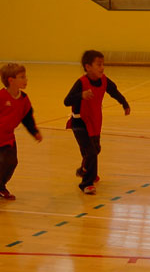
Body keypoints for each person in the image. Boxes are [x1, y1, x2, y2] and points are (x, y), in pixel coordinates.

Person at [0, 63, 42, 207]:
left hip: (9, 137)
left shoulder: (23, 98)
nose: (26, 80)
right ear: (11, 80)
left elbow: (27, 118)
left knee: (12, 163)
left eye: (25, 77)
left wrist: (34, 132)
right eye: (22, 77)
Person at [64, 50, 131, 195]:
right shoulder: (81, 83)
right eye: (99, 65)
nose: (102, 68)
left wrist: (124, 103)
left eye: (103, 64)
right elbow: (67, 101)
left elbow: (114, 91)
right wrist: (81, 95)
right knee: (91, 153)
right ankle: (86, 183)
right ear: (88, 67)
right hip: (80, 122)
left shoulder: (105, 80)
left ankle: (84, 170)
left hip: (95, 121)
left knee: (95, 150)